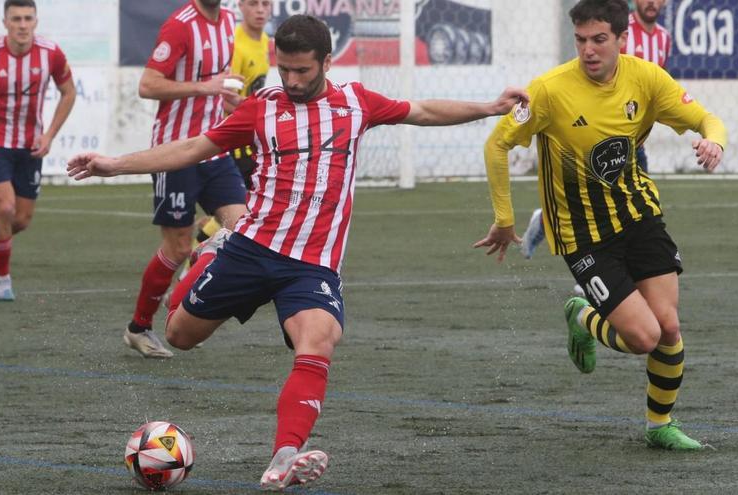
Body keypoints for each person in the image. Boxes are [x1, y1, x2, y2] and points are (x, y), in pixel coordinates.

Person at [68, 14, 526, 490]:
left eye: (302, 71)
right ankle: (211, 251)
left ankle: (285, 455)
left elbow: (424, 111)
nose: (291, 80)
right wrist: (113, 164)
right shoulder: (261, 109)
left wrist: (491, 107)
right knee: (180, 335)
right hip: (249, 249)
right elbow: (192, 148)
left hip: (312, 266)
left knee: (319, 340)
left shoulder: (356, 103)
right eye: (284, 69)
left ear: (327, 62)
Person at [475, 0, 725, 450]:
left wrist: (714, 142)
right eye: (581, 40)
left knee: (668, 327)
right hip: (583, 235)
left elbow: (707, 119)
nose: (588, 50)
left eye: (599, 39)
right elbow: (497, 145)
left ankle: (659, 426)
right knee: (644, 336)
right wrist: (504, 219)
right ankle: (582, 315)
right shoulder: (549, 90)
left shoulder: (645, 78)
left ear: (621, 39)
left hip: (639, 216)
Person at [124, 0, 248, 358]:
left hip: (214, 148)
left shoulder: (228, 19)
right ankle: (139, 328)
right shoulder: (180, 25)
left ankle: (188, 295)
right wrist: (205, 87)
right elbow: (148, 85)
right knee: (177, 247)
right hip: (174, 152)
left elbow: (216, 89)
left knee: (241, 231)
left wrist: (230, 102)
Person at [519, 0, 670, 260]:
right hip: (596, 138)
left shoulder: (664, 38)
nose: (651, 2)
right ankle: (593, 272)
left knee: (631, 208)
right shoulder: (614, 29)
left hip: (631, 141)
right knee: (599, 209)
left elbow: (654, 91)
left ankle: (546, 219)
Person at [0, 0, 76, 301]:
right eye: (16, 19)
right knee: (5, 208)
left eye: (28, 18)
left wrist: (48, 136)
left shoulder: (51, 54)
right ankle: (3, 280)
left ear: (36, 21)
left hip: (30, 146)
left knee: (20, 220)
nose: (22, 25)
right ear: (5, 22)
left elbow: (68, 92)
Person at [194, 0, 273, 245]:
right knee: (244, 210)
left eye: (265, 4)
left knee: (244, 209)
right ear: (240, 6)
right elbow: (225, 100)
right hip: (233, 138)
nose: (260, 10)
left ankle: (202, 242)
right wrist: (257, 115)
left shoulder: (263, 42)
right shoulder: (236, 44)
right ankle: (194, 261)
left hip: (249, 135)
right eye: (253, 4)